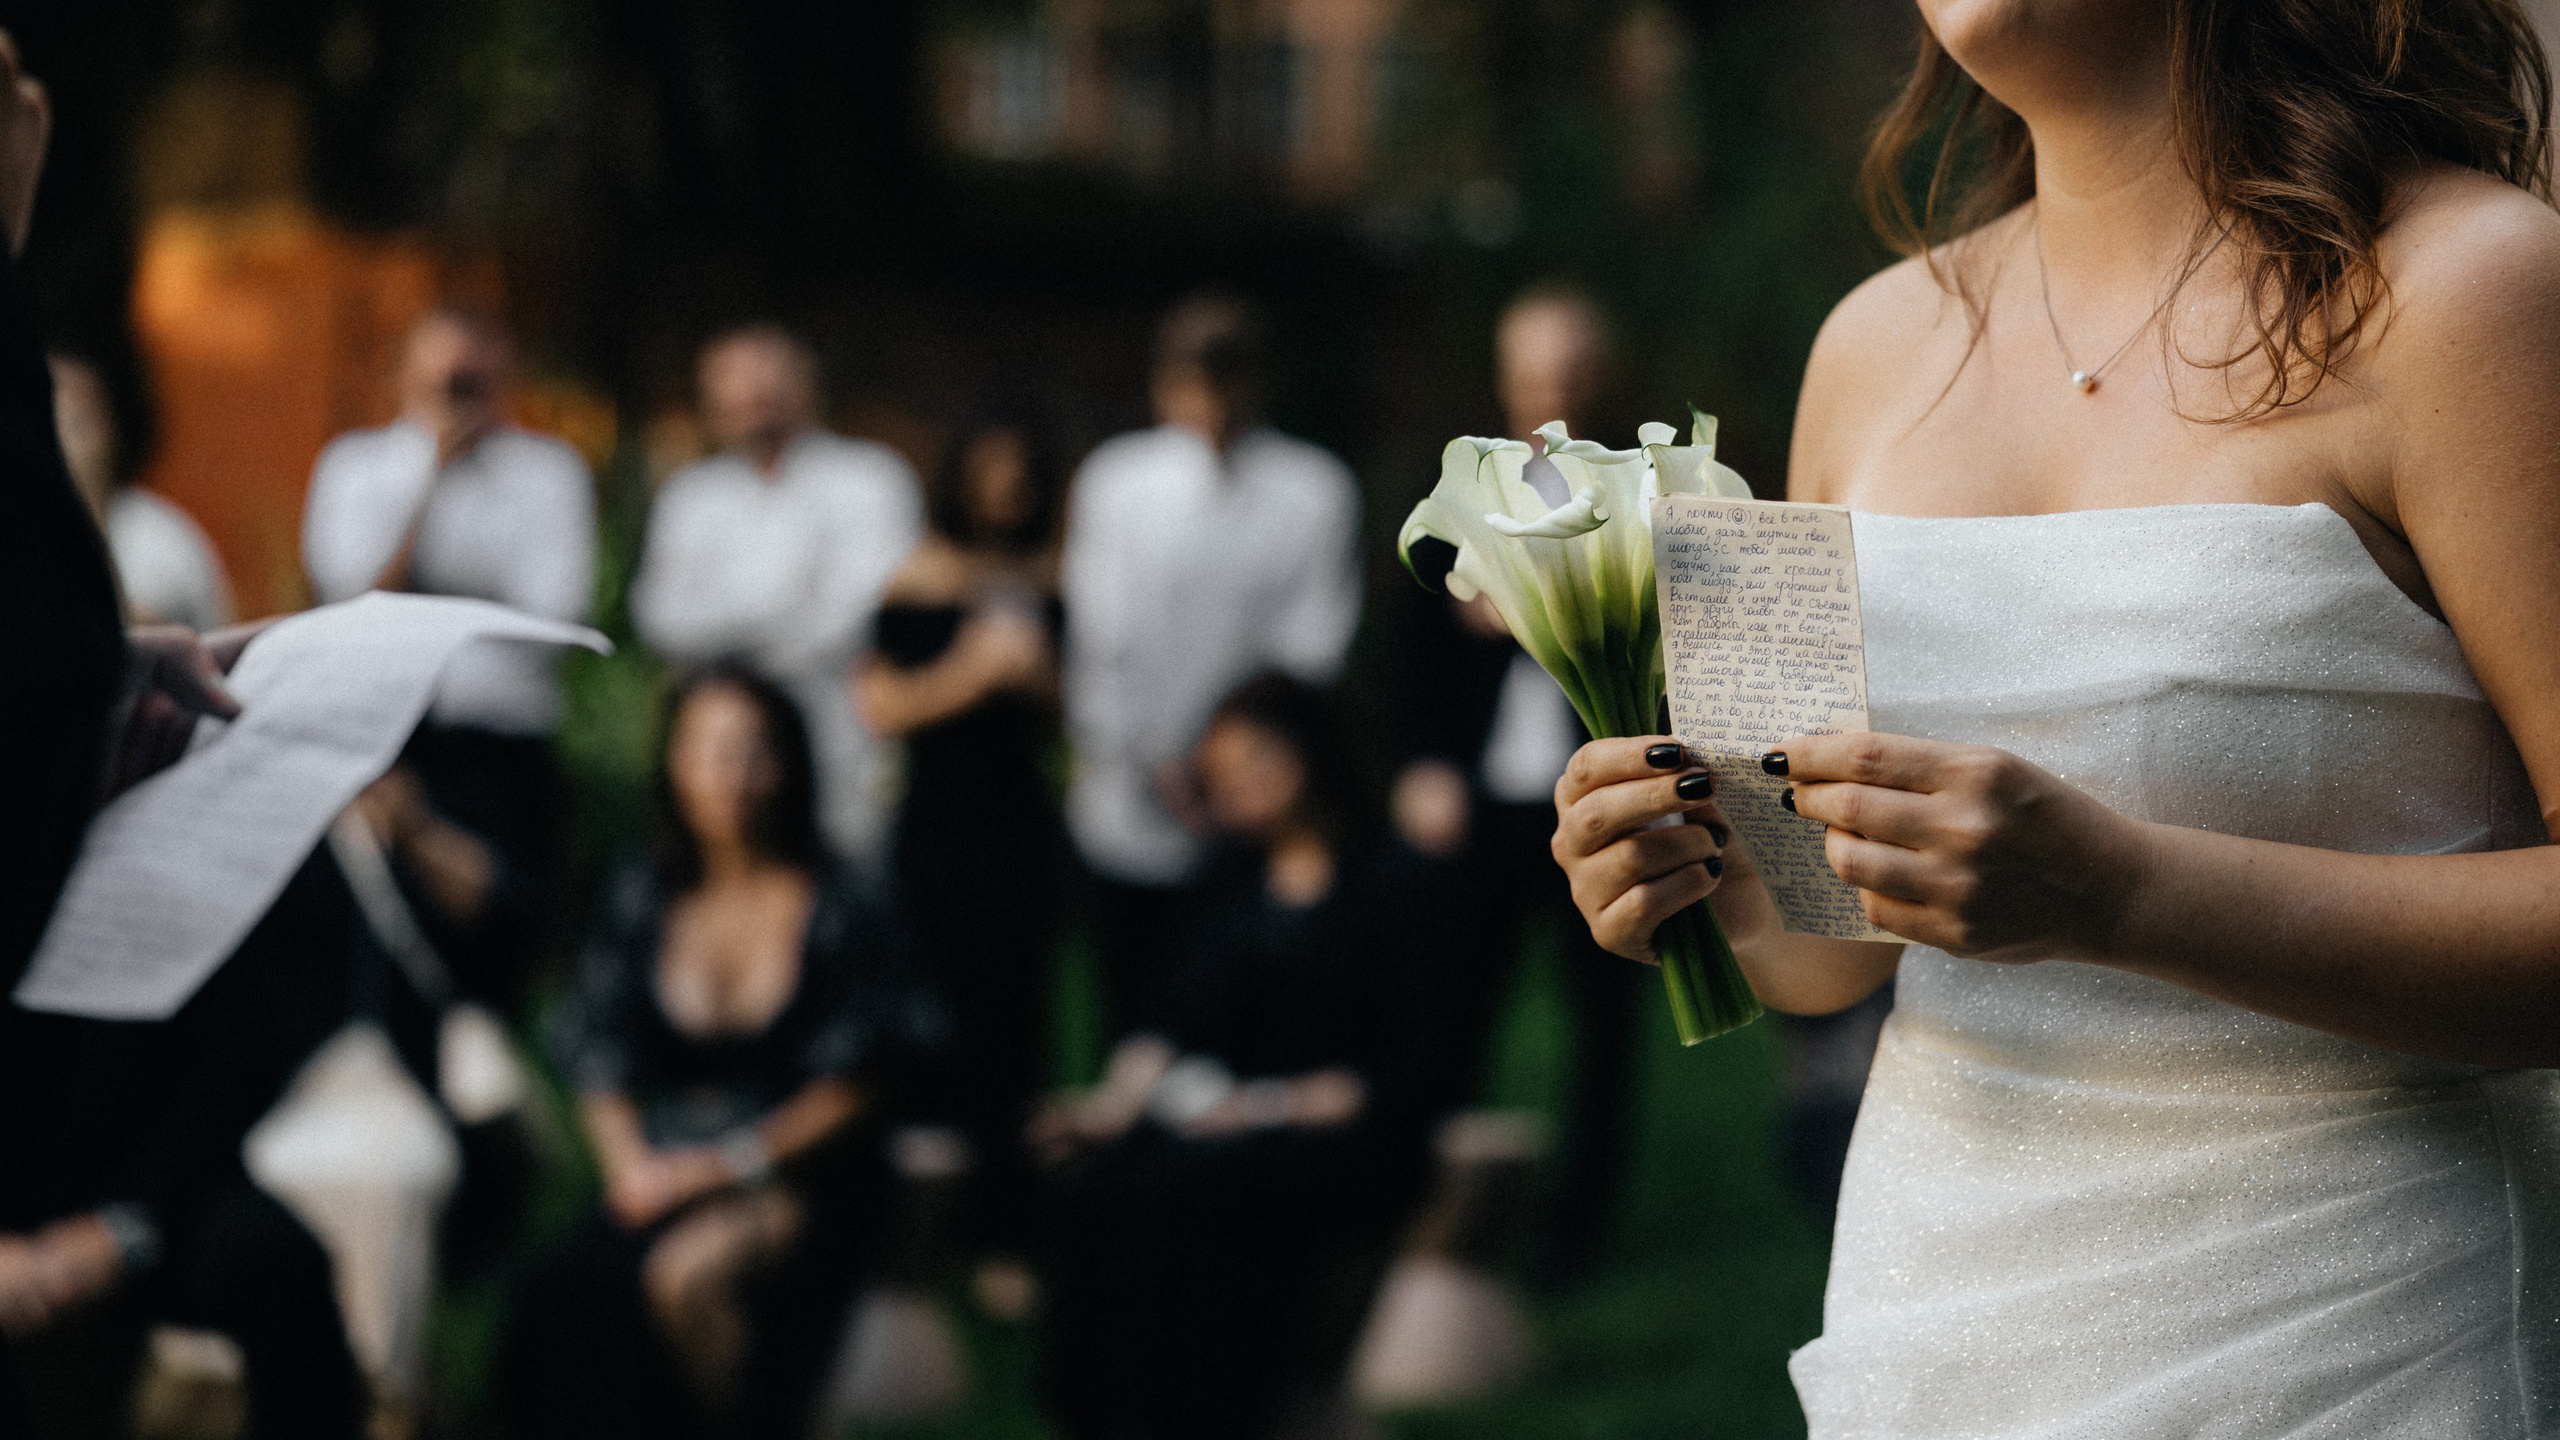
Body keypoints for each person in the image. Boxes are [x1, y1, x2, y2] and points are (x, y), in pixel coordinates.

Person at [1548, 1, 2560, 1433]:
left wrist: (2123, 892)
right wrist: (1675, 866)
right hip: (1927, 1336)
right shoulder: (1865, 345)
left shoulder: (2479, 286)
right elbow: (1814, 958)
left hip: (2355, 1344)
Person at [504, 664, 943, 1440]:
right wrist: (628, 1165)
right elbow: (596, 1043)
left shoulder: (841, 896)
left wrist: (740, 1165)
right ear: (673, 761)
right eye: (709, 750)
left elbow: (869, 1074)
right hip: (671, 1159)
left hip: (809, 1171)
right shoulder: (646, 888)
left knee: (685, 1281)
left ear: (790, 763)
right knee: (571, 1290)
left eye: (753, 751)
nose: (731, 777)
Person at [1037, 674, 1461, 1440]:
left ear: (1312, 754)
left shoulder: (1397, 879)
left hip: (1345, 1130)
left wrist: (1266, 1109)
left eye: (1256, 760)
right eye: (1221, 771)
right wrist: (1110, 1108)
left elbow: (1419, 1061)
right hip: (1222, 1119)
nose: (1237, 786)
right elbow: (1168, 1019)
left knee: (1192, 1194)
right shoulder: (1227, 877)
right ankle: (1103, 1415)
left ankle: (1220, 1408)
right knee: (1104, 1188)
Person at [1387, 284, 1645, 1286]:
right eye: (1535, 374)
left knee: (1603, 1025)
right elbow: (1410, 639)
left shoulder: (1643, 487)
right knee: (1448, 1009)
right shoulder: (1457, 483)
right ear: (1504, 379)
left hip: (1598, 785)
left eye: (1571, 374)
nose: (1552, 394)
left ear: (1602, 378)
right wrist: (1420, 766)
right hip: (1482, 796)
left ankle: (1575, 1235)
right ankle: (1436, 1209)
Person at [1061, 295, 1361, 1031]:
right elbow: (1103, 638)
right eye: (1196, 381)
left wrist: (1236, 768)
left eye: (1228, 380)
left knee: (1247, 1008)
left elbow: (1310, 646)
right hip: (1133, 793)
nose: (1212, 404)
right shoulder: (1115, 483)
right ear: (1166, 384)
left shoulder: (1314, 490)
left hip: (1256, 799)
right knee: (1128, 1008)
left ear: (1256, 382)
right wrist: (1155, 758)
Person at [0, 849, 373, 1440]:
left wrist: (120, 1226)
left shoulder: (174, 856)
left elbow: (228, 1069)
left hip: (145, 1183)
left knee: (283, 1266)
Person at [302, 308, 597, 1007]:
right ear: (404, 374)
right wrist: (431, 478)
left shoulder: (550, 472)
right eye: (444, 377)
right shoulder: (357, 467)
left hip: (501, 744)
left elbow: (555, 614)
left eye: (473, 377)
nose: (458, 391)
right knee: (380, 960)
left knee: (497, 946)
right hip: (388, 747)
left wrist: (425, 603)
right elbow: (349, 598)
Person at [854, 396, 1066, 1319]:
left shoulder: (1057, 578)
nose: (1006, 488)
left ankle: (1006, 1232)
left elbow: (1086, 705)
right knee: (923, 1017)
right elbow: (880, 706)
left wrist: (1040, 680)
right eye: (991, 470)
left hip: (1020, 827)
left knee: (1015, 1025)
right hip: (934, 826)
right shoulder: (916, 578)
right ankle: (913, 1229)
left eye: (1021, 472)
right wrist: (972, 676)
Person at [631, 324, 925, 877]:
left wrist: (726, 626)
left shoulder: (872, 480)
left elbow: (856, 618)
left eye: (767, 382)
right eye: (734, 386)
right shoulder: (690, 497)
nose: (752, 401)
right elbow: (660, 618)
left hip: (840, 745)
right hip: (720, 760)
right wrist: (787, 606)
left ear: (808, 384)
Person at [52, 352, 235, 632]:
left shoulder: (162, 540)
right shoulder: (23, 533)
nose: (64, 444)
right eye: (50, 426)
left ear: (109, 430)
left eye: (77, 423)